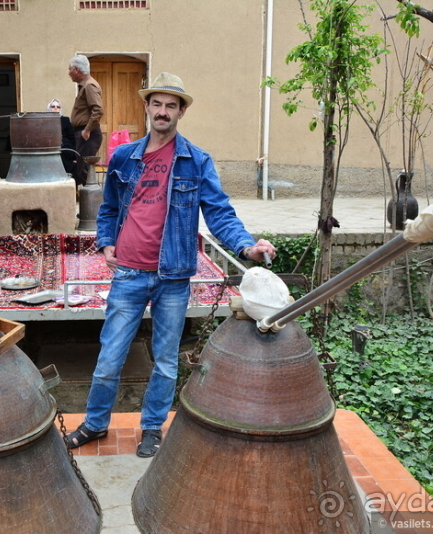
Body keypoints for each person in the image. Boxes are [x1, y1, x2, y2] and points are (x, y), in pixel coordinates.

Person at [65, 72, 276, 458]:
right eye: (157, 104)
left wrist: (246, 247)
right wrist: (106, 241)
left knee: (164, 360)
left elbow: (219, 213)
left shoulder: (196, 161)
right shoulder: (124, 157)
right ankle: (95, 423)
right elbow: (109, 207)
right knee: (110, 355)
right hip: (127, 273)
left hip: (173, 276)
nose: (163, 112)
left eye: (171, 105)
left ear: (181, 112)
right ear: (146, 107)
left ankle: (150, 428)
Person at [68, 55, 104, 186]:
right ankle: (89, 205)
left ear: (76, 70)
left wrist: (87, 130)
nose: (68, 73)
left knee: (85, 173)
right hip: (84, 134)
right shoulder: (84, 85)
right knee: (83, 172)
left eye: (70, 69)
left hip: (88, 134)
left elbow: (98, 110)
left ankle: (94, 205)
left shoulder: (89, 85)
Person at [48, 98, 78, 177]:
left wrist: (75, 157)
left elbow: (72, 138)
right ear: (49, 108)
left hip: (65, 150)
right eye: (53, 106)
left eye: (58, 107)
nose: (55, 108)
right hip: (51, 150)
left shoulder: (65, 120)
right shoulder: (45, 120)